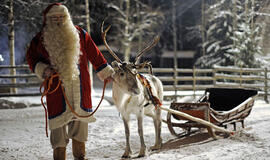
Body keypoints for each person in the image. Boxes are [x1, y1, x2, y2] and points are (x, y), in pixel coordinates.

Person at [26, 3, 114, 160]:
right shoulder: (40, 39)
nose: (59, 20)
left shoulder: (80, 33)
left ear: (67, 17)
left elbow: (94, 53)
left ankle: (80, 156)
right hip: (56, 87)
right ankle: (59, 156)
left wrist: (104, 72)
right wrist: (44, 70)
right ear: (48, 20)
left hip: (80, 86)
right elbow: (32, 59)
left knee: (80, 122)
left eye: (62, 17)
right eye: (55, 18)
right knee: (58, 125)